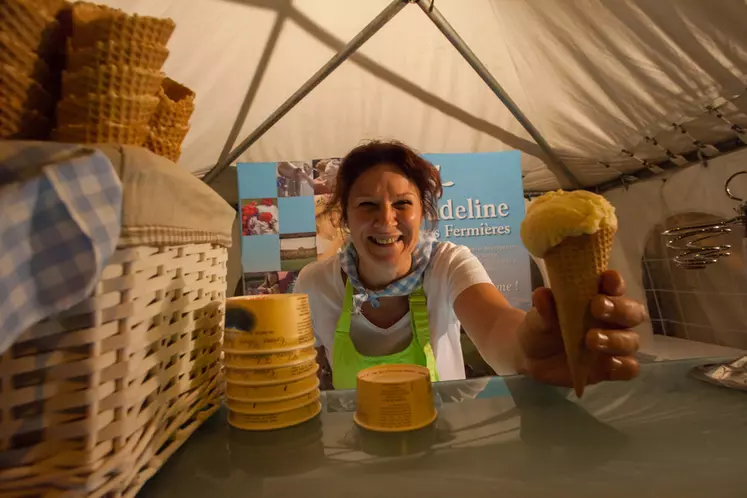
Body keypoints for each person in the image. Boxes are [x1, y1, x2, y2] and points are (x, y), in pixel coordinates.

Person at [293, 140, 645, 390]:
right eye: (368, 205)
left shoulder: (448, 262)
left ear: (423, 212)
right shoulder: (314, 284)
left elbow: (495, 326)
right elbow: (297, 372)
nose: (387, 219)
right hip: (357, 444)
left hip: (445, 439)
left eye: (402, 203)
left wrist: (530, 346)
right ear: (346, 217)